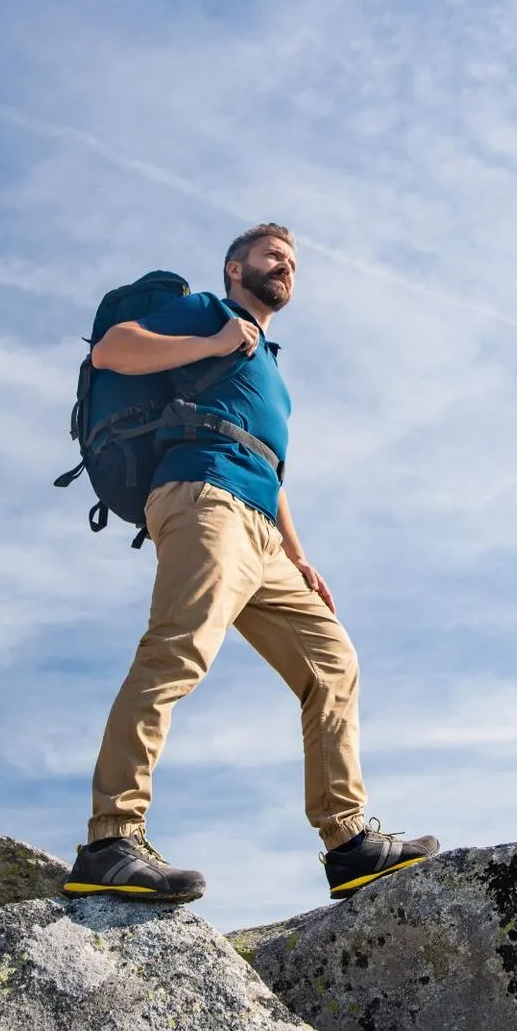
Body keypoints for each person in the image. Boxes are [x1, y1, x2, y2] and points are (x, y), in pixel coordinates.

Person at [65, 223, 437, 903]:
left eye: (293, 261)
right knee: (177, 652)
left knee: (333, 663)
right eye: (273, 256)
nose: (286, 267)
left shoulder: (270, 363)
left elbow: (268, 464)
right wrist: (212, 343)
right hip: (204, 496)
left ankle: (349, 843)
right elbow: (113, 351)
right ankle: (110, 840)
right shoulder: (209, 312)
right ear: (236, 268)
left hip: (262, 528)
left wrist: (299, 556)